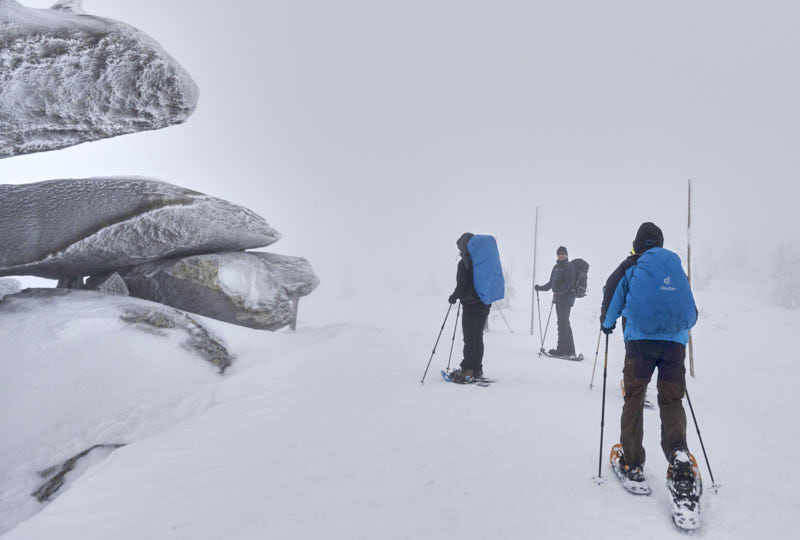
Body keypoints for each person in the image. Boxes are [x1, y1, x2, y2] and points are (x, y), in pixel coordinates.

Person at [599, 222, 699, 495]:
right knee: (671, 399)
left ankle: (632, 463)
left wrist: (607, 324)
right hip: (674, 346)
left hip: (640, 343)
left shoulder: (632, 264)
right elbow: (691, 312)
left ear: (638, 243)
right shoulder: (675, 266)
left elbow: (612, 293)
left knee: (634, 396)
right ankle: (679, 456)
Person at [447, 232, 491, 381]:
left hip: (471, 305)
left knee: (470, 339)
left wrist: (453, 297)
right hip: (484, 304)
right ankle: (478, 370)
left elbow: (461, 286)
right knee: (478, 337)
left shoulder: (464, 263)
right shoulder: (482, 262)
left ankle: (467, 370)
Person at [535, 246, 576, 356]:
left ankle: (561, 350)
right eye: (559, 253)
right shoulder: (556, 267)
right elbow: (551, 283)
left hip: (566, 298)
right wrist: (541, 288)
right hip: (559, 299)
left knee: (562, 323)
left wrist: (559, 290)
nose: (561, 255)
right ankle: (570, 350)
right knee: (564, 323)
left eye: (563, 253)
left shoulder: (569, 266)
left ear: (566, 255)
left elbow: (569, 283)